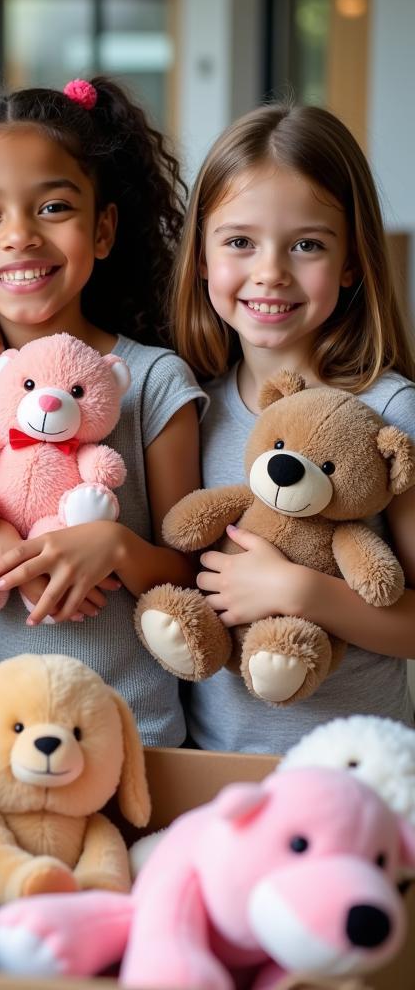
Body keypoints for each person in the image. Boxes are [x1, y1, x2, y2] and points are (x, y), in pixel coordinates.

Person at [0, 77, 207, 746]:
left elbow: (195, 570)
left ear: (102, 229)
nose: (20, 237)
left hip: (134, 730)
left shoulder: (153, 380)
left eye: (54, 207)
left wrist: (119, 547)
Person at [169, 103, 415, 753]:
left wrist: (302, 592)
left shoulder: (392, 413)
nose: (270, 271)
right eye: (239, 241)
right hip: (214, 773)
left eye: (307, 244)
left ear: (353, 262)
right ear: (200, 257)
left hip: (358, 776)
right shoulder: (192, 407)